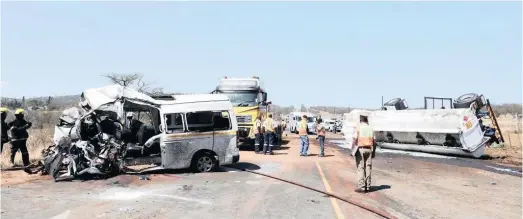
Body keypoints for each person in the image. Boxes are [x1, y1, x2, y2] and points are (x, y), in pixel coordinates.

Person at [351, 112, 376, 193]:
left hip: (360, 149)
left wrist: (352, 149)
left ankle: (362, 187)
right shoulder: (370, 128)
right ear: (366, 119)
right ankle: (368, 186)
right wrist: (374, 152)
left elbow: (354, 139)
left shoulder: (358, 127)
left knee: (360, 168)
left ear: (360, 119)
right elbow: (374, 141)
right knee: (368, 167)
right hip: (369, 149)